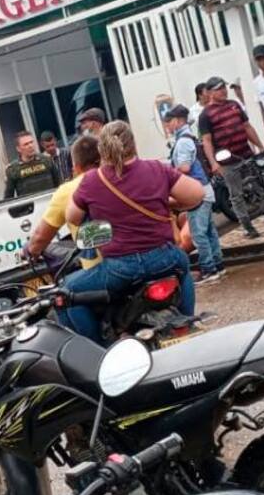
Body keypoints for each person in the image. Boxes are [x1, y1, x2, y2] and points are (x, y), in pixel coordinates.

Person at [60, 122, 204, 344]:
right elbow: (196, 194)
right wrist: (166, 201)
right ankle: (186, 323)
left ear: (102, 149)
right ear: (133, 144)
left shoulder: (92, 181)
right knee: (183, 267)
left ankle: (99, 350)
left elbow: (72, 217)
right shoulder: (156, 169)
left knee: (66, 294)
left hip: (119, 270)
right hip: (164, 258)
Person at [197, 75, 264, 238]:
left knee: (259, 185)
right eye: (219, 89)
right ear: (210, 92)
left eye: (224, 88)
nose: (224, 91)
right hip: (227, 161)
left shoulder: (234, 105)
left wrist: (261, 146)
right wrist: (214, 163)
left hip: (246, 155)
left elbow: (247, 127)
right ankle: (248, 227)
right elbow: (206, 141)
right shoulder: (205, 115)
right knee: (236, 195)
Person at [164, 106, 224, 284]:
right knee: (209, 231)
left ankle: (209, 269)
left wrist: (167, 173)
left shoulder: (182, 141)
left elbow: (184, 168)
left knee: (199, 234)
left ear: (177, 120)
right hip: (205, 190)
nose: (167, 126)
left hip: (196, 192)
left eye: (168, 122)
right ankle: (218, 265)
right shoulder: (189, 136)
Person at [25, 135, 104, 269]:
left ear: (77, 167)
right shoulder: (116, 177)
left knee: (66, 287)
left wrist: (29, 250)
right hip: (137, 256)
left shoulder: (67, 190)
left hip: (101, 268)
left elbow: (40, 238)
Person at [3, 131, 62, 199]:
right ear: (18, 148)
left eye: (31, 142)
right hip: (30, 208)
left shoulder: (47, 161)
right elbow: (8, 198)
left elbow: (59, 185)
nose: (30, 146)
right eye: (26, 144)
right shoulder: (13, 169)